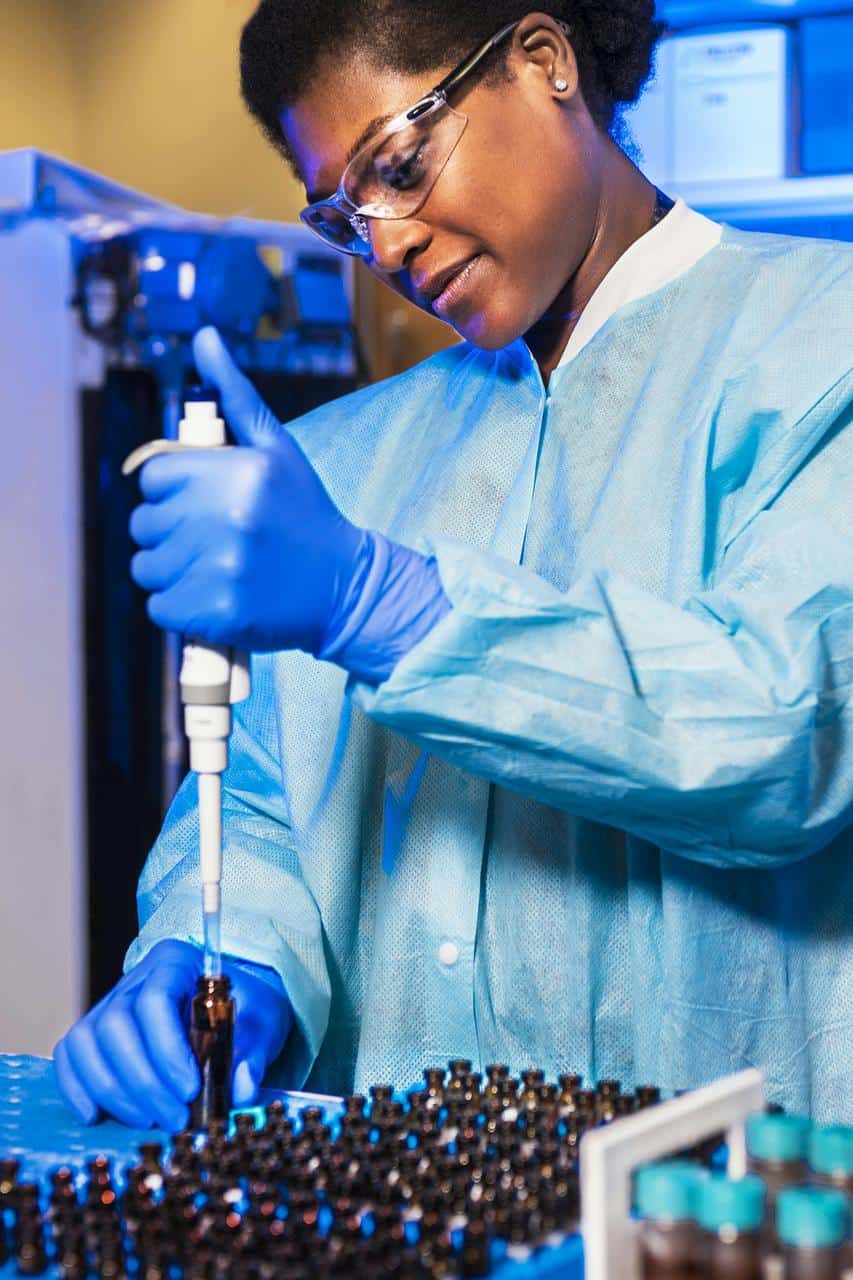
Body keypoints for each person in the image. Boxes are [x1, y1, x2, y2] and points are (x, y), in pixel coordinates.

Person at [55, 0, 852, 1133]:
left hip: (708, 1205)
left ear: (544, 61)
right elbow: (275, 798)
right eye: (342, 217)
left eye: (399, 165)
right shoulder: (341, 456)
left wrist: (381, 605)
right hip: (400, 1208)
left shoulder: (822, 348)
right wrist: (218, 945)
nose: (383, 247)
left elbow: (785, 731)